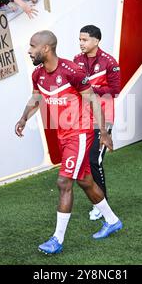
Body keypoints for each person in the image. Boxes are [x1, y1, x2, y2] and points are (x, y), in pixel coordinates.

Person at [15, 30, 122, 255]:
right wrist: (24, 117)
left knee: (64, 182)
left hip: (81, 132)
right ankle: (112, 221)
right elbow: (37, 98)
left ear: (46, 49)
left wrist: (103, 132)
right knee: (84, 180)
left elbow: (93, 99)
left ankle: (57, 239)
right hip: (62, 134)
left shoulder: (72, 71)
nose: (29, 50)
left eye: (33, 46)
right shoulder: (38, 74)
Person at [73, 25, 121, 221]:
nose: (81, 43)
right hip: (82, 117)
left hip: (103, 118)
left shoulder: (109, 61)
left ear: (96, 41)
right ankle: (98, 203)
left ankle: (103, 205)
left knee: (95, 159)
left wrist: (92, 89)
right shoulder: (76, 60)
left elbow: (115, 90)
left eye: (84, 40)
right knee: (85, 162)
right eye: (80, 39)